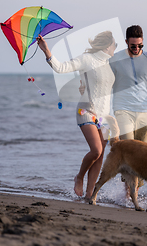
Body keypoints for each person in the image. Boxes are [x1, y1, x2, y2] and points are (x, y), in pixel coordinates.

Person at [36, 31, 118, 201]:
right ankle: (79, 176)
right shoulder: (86, 59)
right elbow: (61, 68)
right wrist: (47, 51)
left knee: (101, 155)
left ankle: (90, 195)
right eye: (115, 45)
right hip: (86, 111)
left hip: (104, 117)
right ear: (107, 45)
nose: (115, 48)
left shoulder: (110, 64)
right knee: (96, 150)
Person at [109, 25, 147, 143]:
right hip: (123, 110)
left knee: (143, 154)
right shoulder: (115, 59)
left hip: (145, 111)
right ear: (126, 42)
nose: (137, 48)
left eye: (140, 45)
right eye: (133, 46)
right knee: (129, 149)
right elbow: (104, 81)